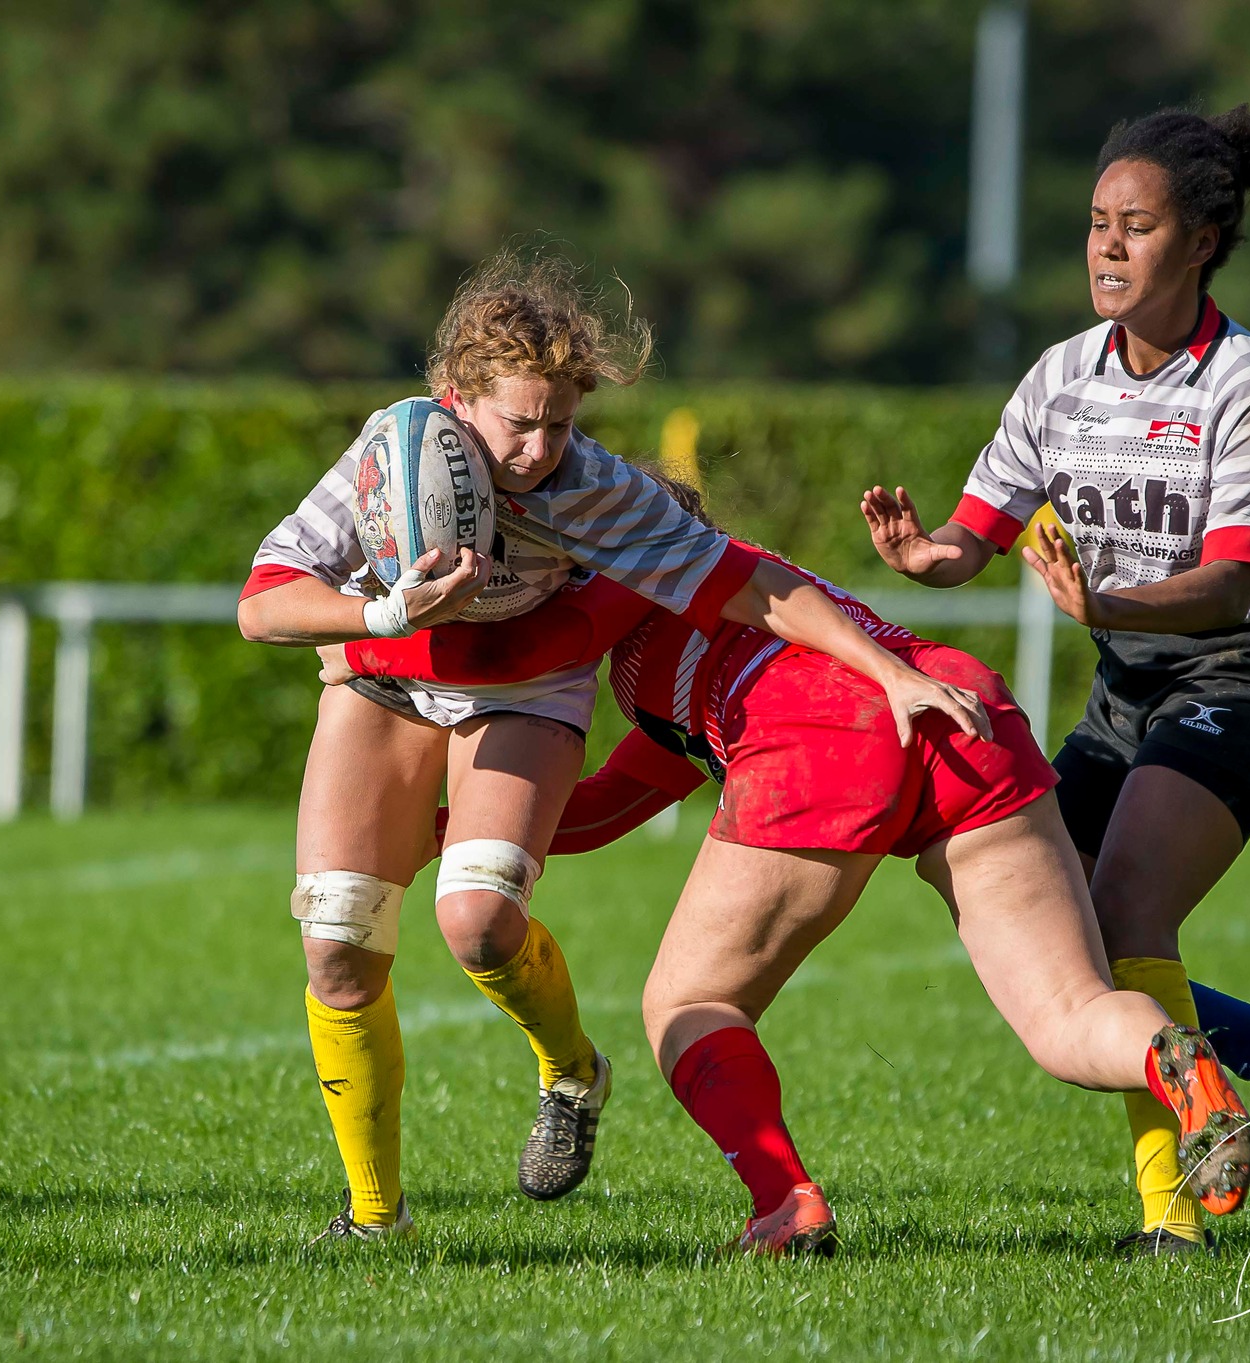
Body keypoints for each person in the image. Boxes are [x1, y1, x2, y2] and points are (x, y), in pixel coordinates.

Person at [237, 252, 990, 1242]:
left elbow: (751, 581)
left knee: (478, 922)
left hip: (521, 697)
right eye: (521, 420)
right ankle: (376, 1217)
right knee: (337, 938)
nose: (542, 445)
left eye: (560, 420)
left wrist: (889, 667)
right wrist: (376, 609)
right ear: (455, 395)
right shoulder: (389, 451)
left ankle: (572, 1072)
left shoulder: (590, 485)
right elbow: (262, 603)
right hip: (385, 682)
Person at [331, 484, 1250, 1257]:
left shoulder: (643, 559)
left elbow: (529, 651)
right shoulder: (709, 615)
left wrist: (358, 635)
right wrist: (457, 832)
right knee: (1069, 1016)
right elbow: (617, 800)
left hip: (823, 730)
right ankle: (1167, 1055)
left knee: (687, 1005)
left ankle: (786, 1202)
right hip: (953, 702)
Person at [860, 105, 1250, 1254]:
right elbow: (972, 533)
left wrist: (1105, 607)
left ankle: (1174, 1223)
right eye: (1094, 223)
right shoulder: (1059, 376)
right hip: (1130, 672)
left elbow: (1234, 588)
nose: (1104, 247)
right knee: (1022, 907)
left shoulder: (1246, 382)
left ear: (1198, 241)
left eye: (1133, 227)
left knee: (1126, 908)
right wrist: (920, 555)